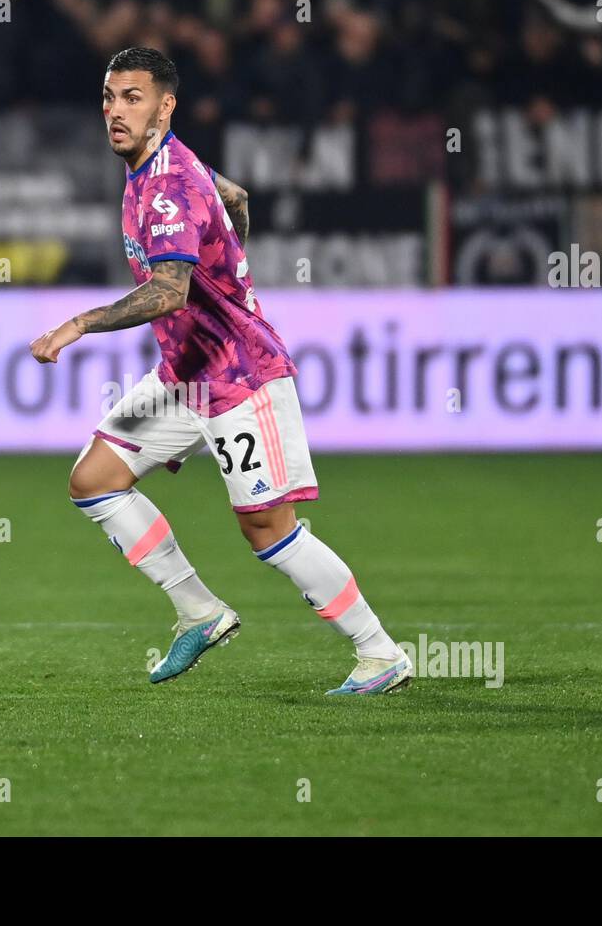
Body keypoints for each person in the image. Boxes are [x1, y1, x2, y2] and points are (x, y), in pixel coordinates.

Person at [30, 47, 412, 695]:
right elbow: (235, 195)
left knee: (266, 529)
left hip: (240, 376)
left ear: (164, 106)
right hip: (185, 376)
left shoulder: (169, 186)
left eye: (133, 97)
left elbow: (170, 291)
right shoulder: (165, 166)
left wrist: (78, 325)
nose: (115, 111)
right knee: (95, 480)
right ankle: (199, 612)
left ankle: (380, 653)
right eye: (109, 97)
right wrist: (233, 261)